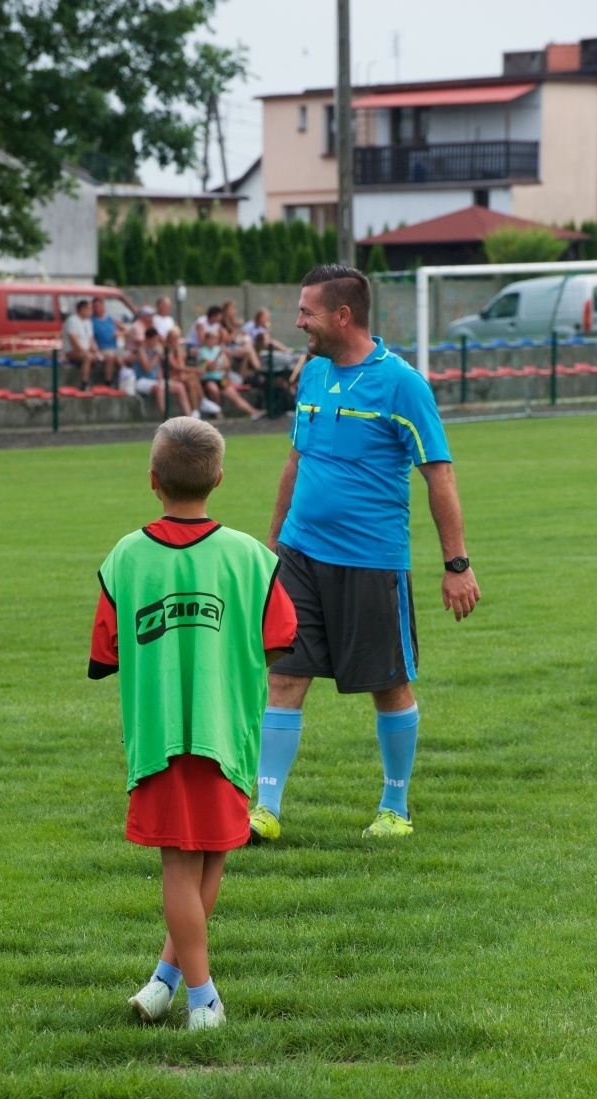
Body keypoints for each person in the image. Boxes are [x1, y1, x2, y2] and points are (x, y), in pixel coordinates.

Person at [248, 264, 481, 845]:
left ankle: (394, 807)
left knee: (389, 685)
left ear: (342, 316)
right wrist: (274, 546)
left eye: (307, 312)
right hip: (300, 555)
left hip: (372, 562)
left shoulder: (402, 384)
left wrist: (456, 565)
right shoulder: (312, 373)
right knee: (285, 677)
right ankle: (264, 809)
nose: (298, 321)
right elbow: (296, 461)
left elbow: (440, 475)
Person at [88, 417, 297, 1029]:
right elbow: (281, 639)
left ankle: (166, 981)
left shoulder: (126, 556)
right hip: (226, 730)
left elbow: (107, 652)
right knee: (198, 860)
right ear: (220, 479)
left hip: (158, 734)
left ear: (153, 480)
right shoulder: (252, 559)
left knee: (197, 859)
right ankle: (203, 1000)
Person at [197, 328, 265, 421]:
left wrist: (220, 364)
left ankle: (252, 412)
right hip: (208, 379)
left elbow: (226, 365)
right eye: (210, 339)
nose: (213, 341)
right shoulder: (203, 352)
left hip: (220, 378)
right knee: (214, 390)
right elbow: (210, 367)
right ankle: (218, 413)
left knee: (233, 394)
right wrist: (218, 357)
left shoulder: (218, 349)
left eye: (214, 339)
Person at [133, 326, 193, 418]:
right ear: (149, 339)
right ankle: (166, 418)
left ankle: (190, 417)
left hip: (155, 380)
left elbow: (159, 369)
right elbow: (147, 368)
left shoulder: (155, 350)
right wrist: (156, 356)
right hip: (142, 380)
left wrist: (160, 378)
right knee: (160, 388)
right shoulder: (142, 351)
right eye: (155, 340)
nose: (157, 342)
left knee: (180, 387)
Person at [63, 298, 101, 386]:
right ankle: (84, 382)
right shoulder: (72, 321)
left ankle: (106, 383)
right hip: (72, 352)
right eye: (89, 309)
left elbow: (91, 339)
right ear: (82, 309)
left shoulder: (88, 322)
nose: (91, 311)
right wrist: (85, 352)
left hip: (86, 351)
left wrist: (96, 351)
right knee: (87, 357)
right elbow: (74, 341)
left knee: (105, 357)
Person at [91, 297, 126, 385]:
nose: (97, 308)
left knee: (122, 358)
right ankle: (108, 381)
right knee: (111, 357)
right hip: (102, 348)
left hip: (114, 347)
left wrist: (119, 333)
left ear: (103, 307)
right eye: (95, 307)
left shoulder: (111, 318)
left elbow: (125, 330)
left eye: (98, 306)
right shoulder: (91, 321)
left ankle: (126, 380)